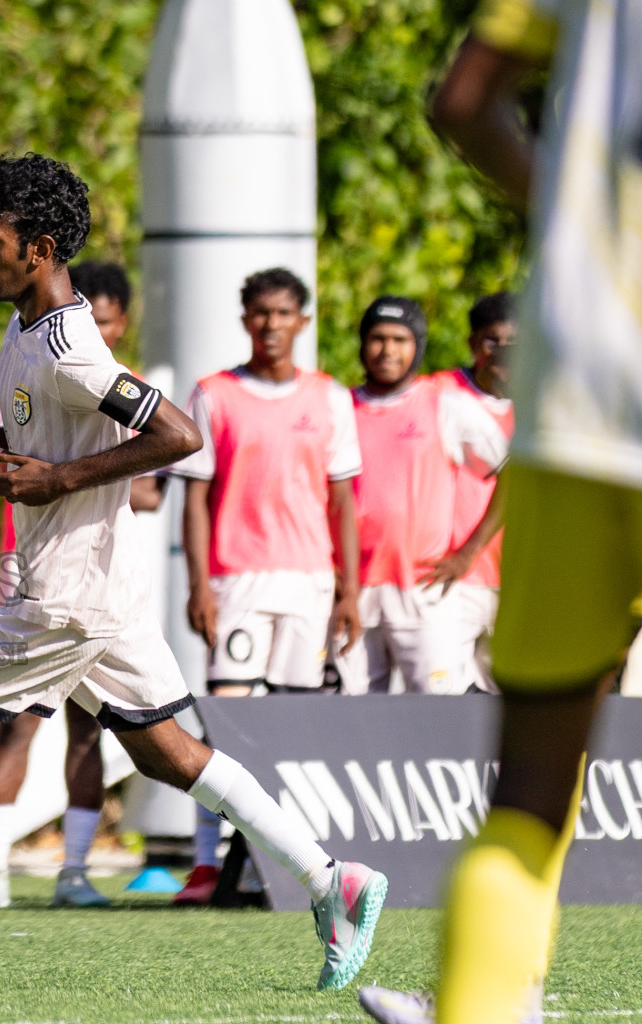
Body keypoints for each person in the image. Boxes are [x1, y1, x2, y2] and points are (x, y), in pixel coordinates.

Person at [0, 153, 386, 991]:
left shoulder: (71, 347)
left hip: (64, 597)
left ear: (38, 249)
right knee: (170, 756)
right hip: (103, 591)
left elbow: (178, 435)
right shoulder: (28, 327)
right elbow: (45, 441)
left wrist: (61, 481)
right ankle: (332, 881)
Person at [358, 1, 640, 1022]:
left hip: (582, 405)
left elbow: (465, 99)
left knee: (529, 791)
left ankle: (482, 999)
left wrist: (574, 218)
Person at [168, 266, 363, 906]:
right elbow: (195, 499)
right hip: (237, 581)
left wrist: (349, 590)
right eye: (260, 313)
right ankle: (207, 864)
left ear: (302, 320)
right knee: (224, 720)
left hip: (309, 583)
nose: (271, 324)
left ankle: (270, 866)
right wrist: (199, 584)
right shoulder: (214, 393)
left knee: (294, 726)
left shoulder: (330, 397)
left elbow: (343, 501)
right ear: (245, 318)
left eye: (283, 313)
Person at [0, 259, 163, 910]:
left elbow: (156, 481)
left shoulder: (113, 381)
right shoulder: (41, 352)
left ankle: (74, 871)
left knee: (93, 731)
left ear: (120, 324)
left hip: (100, 573)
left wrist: (71, 474)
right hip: (34, 565)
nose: (97, 333)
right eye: (92, 320)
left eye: (107, 324)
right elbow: (13, 451)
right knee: (18, 720)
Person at [333, 296, 508, 695]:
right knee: (351, 713)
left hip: (424, 591)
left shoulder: (443, 402)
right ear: (362, 343)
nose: (388, 350)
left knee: (438, 713)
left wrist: (467, 554)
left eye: (400, 339)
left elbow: (508, 471)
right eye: (378, 338)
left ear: (418, 346)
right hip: (351, 592)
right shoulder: (339, 407)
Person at [420, 293, 517, 694]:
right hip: (451, 575)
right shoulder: (439, 392)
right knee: (442, 695)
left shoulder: (541, 403)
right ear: (473, 343)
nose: (503, 351)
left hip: (515, 577)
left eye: (514, 342)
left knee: (514, 699)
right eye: (492, 341)